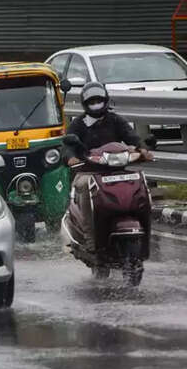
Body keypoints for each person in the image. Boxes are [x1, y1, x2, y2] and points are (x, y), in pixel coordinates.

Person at [64, 82, 153, 251]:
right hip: (88, 171)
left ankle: (145, 237)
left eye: (99, 100)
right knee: (85, 188)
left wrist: (143, 149)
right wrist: (71, 157)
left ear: (106, 100)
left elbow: (132, 137)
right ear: (85, 104)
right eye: (92, 101)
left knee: (140, 184)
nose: (96, 104)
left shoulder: (115, 119)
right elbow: (68, 145)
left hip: (116, 170)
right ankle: (91, 241)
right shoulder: (79, 123)